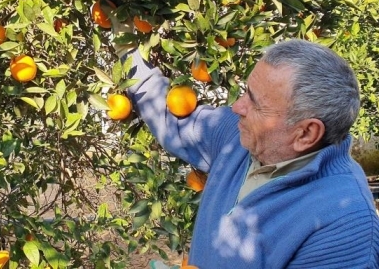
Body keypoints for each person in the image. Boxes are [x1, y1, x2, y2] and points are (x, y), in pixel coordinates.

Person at [108, 14, 379, 268]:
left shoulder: (346, 224)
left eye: (255, 103)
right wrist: (126, 45)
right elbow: (168, 117)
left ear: (305, 134)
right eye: (246, 92)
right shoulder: (235, 136)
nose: (237, 107)